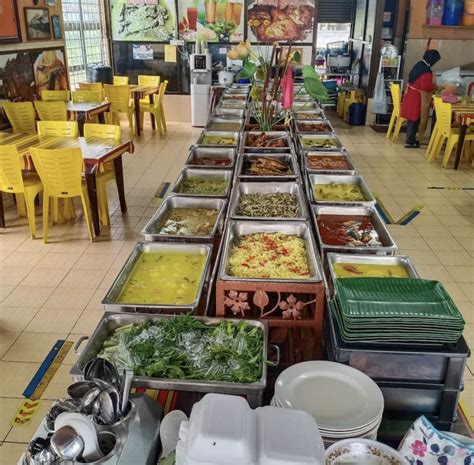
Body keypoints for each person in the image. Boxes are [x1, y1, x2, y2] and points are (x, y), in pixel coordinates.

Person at [401, 49, 441, 148]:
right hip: (417, 98)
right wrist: (435, 86)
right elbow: (426, 86)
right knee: (414, 119)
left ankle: (411, 139)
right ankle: (410, 141)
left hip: (411, 94)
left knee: (411, 119)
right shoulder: (426, 71)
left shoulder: (419, 64)